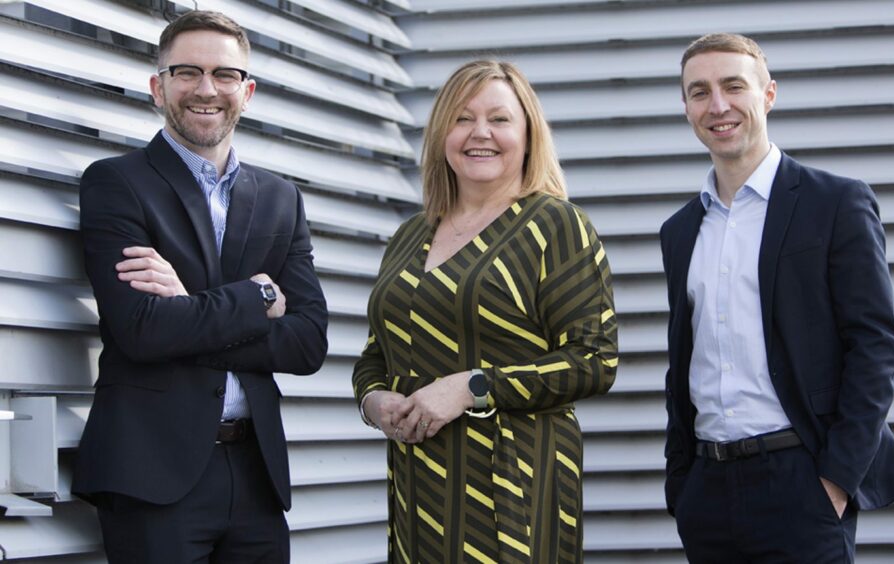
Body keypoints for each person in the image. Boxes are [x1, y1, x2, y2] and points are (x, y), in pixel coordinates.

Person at [71, 10, 328, 563]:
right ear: (157, 87)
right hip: (151, 475)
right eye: (186, 72)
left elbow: (308, 343)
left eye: (224, 75)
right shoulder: (116, 183)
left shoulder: (282, 199)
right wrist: (257, 298)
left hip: (256, 477)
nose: (206, 89)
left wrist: (188, 308)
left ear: (248, 90)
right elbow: (142, 330)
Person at [660, 32, 894, 562]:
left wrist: (837, 480)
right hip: (707, 490)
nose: (718, 105)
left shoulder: (836, 203)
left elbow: (876, 345)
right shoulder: (681, 229)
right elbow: (686, 361)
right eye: (699, 92)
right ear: (685, 106)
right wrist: (682, 484)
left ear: (768, 94)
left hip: (802, 481)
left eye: (734, 86)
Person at [352, 60, 618, 563]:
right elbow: (374, 354)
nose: (480, 134)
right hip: (418, 487)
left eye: (499, 119)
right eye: (462, 118)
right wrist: (374, 402)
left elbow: (593, 361)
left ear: (527, 133)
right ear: (441, 134)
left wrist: (472, 387)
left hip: (514, 484)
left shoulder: (556, 226)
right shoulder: (411, 236)